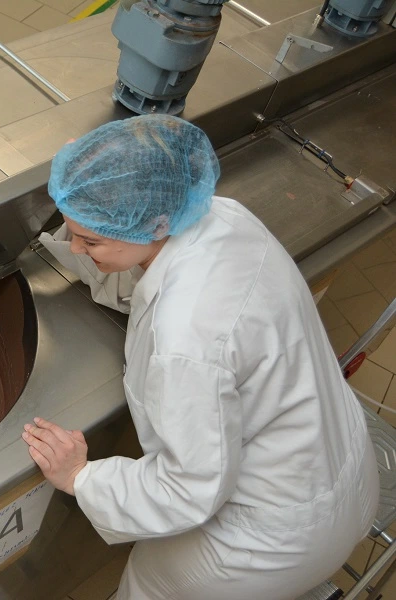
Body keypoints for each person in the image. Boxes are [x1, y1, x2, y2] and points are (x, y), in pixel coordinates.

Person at [22, 114, 379, 600]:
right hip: (343, 472)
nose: (79, 249)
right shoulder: (219, 214)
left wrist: (83, 477)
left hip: (267, 540)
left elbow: (190, 488)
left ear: (153, 223)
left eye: (92, 240)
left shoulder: (186, 338)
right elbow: (148, 272)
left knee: (151, 586)